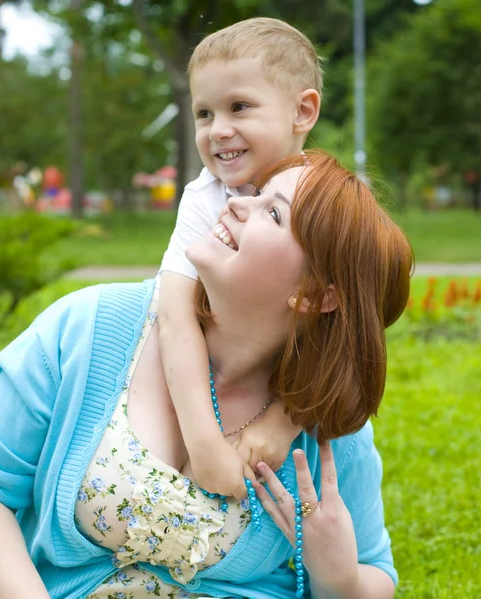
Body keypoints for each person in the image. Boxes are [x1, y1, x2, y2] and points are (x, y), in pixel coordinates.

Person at [0, 150, 413, 599]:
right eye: (255, 191)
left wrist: (339, 578)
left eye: (272, 212)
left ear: (314, 295)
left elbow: (374, 572)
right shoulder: (89, 328)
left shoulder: (322, 421)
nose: (234, 202)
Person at [158, 17, 323, 500]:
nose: (218, 131)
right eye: (204, 114)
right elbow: (173, 312)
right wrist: (204, 441)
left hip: (293, 386)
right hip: (206, 380)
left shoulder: (323, 202)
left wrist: (285, 419)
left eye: (240, 107)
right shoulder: (205, 196)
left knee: (294, 497)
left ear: (302, 110)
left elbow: (349, 326)